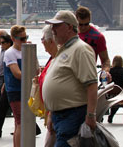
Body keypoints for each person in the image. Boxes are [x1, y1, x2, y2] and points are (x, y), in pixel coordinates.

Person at [43, 10, 98, 147]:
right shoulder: (65, 49)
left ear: (69, 27)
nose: (53, 30)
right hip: (60, 116)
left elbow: (91, 84)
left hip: (72, 115)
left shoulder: (81, 50)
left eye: (56, 26)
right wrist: (51, 114)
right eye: (52, 26)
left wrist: (91, 115)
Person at [3, 25, 29, 147]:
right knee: (20, 122)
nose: (24, 41)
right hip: (15, 90)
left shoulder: (26, 50)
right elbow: (17, 74)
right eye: (21, 39)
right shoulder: (10, 53)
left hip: (25, 89)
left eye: (26, 38)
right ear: (13, 39)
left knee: (19, 122)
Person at [37, 25, 58, 147]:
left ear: (51, 41)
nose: (44, 48)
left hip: (57, 113)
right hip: (52, 112)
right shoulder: (53, 59)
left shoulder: (59, 59)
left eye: (43, 41)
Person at [75, 6, 111, 76]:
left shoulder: (98, 37)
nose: (83, 27)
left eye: (86, 24)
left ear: (89, 20)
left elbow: (105, 60)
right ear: (76, 20)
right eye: (80, 24)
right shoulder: (70, 34)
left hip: (89, 76)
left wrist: (105, 72)